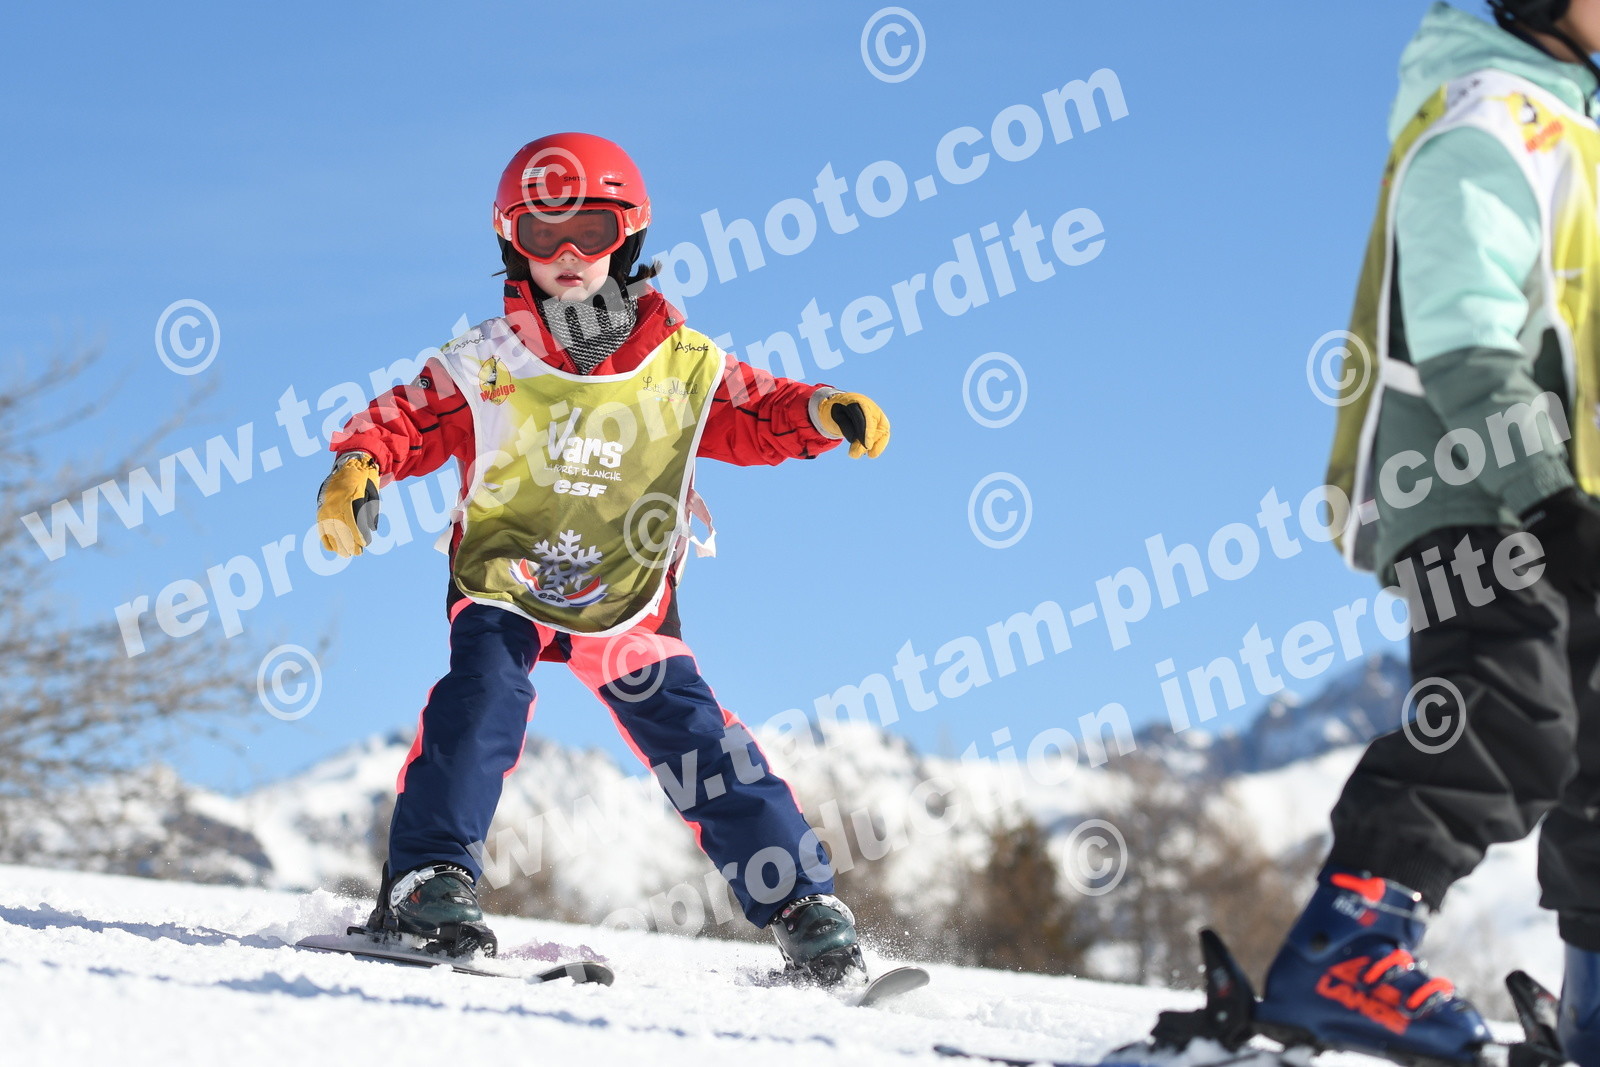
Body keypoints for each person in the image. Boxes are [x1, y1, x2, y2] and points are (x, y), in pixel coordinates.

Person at [313, 132, 890, 986]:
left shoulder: (682, 364)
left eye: (591, 230)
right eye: (543, 234)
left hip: (625, 591)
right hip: (506, 577)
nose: (569, 255)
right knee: (484, 698)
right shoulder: (486, 359)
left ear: (630, 235)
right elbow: (411, 416)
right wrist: (361, 464)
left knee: (698, 737)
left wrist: (820, 411)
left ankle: (803, 907)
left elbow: (754, 409)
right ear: (513, 242)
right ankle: (428, 880)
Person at [1263, 1, 1600, 1064]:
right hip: (1474, 488)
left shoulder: (1572, 129)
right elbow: (1464, 338)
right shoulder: (1490, 119)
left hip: (1560, 500)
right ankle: (1346, 946)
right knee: (1509, 707)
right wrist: (1549, 500)